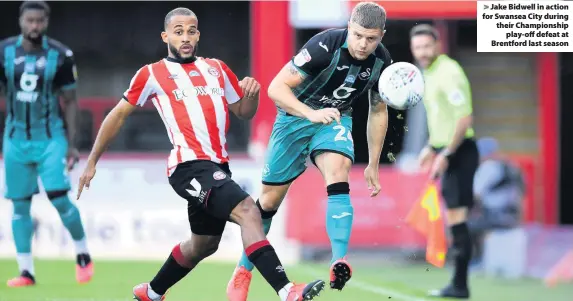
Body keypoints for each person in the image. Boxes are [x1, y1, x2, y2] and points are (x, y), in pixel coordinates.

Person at [77, 7, 325, 301]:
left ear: (198, 35)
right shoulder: (152, 74)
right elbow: (117, 116)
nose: (185, 37)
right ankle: (287, 291)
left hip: (217, 166)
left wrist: (252, 94)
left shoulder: (216, 68)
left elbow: (244, 112)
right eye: (178, 31)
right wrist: (92, 161)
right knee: (249, 211)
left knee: (204, 245)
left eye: (191, 31)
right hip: (188, 166)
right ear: (165, 36)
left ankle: (152, 292)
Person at [227, 2, 392, 300]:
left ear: (382, 35)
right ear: (348, 27)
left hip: (334, 120)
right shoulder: (324, 45)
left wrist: (373, 163)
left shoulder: (382, 62)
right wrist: (309, 113)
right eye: (357, 36)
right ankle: (242, 271)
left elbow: (378, 111)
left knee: (339, 172)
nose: (363, 44)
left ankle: (338, 259)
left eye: (371, 38)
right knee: (267, 203)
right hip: (293, 119)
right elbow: (276, 88)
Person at [0, 1, 92, 287]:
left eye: (39, 21)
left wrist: (72, 144)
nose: (34, 26)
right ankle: (26, 272)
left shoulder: (61, 55)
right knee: (19, 207)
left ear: (46, 22)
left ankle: (82, 253)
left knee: (60, 199)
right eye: (30, 21)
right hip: (15, 139)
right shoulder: (4, 51)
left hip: (50, 137)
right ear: (21, 21)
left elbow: (71, 101)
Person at [410, 24, 478, 299]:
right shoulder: (429, 73)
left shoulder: (449, 72)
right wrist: (430, 146)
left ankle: (460, 286)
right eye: (418, 48)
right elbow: (443, 120)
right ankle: (458, 283)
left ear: (438, 45)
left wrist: (445, 154)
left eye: (427, 46)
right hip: (444, 150)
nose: (423, 52)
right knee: (453, 219)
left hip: (459, 153)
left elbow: (464, 119)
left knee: (458, 219)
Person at [469, 137, 524, 265]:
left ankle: (477, 261)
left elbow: (475, 194)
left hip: (495, 216)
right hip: (512, 215)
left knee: (465, 225)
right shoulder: (509, 166)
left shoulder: (488, 167)